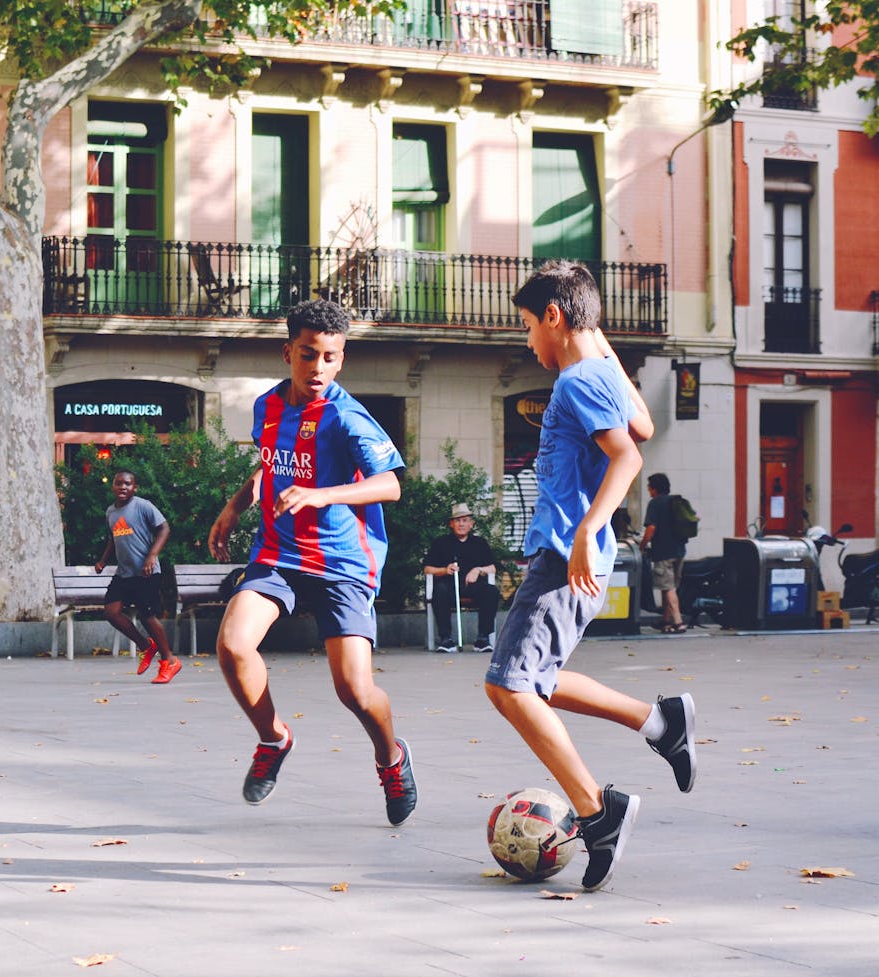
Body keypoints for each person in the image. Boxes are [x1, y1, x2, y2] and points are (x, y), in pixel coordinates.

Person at [483, 260, 697, 892]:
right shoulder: (600, 370)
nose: (527, 341)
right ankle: (660, 721)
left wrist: (585, 528)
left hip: (563, 553)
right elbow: (646, 427)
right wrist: (595, 333)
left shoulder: (579, 380)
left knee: (509, 687)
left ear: (553, 317)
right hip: (570, 554)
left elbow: (628, 455)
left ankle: (598, 811)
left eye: (528, 326)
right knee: (534, 680)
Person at [206, 299, 416, 826]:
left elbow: (390, 485)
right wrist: (235, 505)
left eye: (329, 357)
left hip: (343, 563)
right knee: (232, 645)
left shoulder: (348, 418)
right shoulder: (268, 407)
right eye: (307, 355)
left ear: (341, 359)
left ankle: (391, 758)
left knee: (354, 691)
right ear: (288, 353)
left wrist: (322, 496)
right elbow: (270, 465)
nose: (317, 368)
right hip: (278, 554)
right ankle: (273, 738)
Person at [94, 470, 181, 685]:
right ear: (113, 486)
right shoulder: (111, 512)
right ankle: (146, 646)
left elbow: (164, 528)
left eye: (128, 484)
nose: (123, 487)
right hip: (124, 573)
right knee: (111, 612)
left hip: (146, 572)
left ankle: (169, 661)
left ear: (135, 488)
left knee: (147, 616)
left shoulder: (143, 506)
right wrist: (103, 560)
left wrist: (152, 556)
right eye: (119, 483)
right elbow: (113, 540)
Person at [423, 503, 500, 652]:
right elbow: (427, 569)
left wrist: (478, 570)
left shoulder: (480, 543)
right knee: (439, 591)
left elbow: (492, 568)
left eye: (465, 520)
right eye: (458, 521)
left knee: (491, 591)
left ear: (471, 524)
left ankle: (483, 638)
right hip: (449, 587)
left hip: (473, 587)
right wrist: (445, 570)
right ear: (451, 524)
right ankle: (446, 639)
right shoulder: (441, 543)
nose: (461, 524)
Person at [640, 472, 687, 634]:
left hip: (664, 553)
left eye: (649, 487)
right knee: (669, 586)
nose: (648, 490)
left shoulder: (655, 503)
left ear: (654, 488)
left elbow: (651, 528)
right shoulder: (676, 502)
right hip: (679, 551)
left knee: (668, 588)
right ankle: (665, 621)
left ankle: (678, 622)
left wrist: (643, 545)